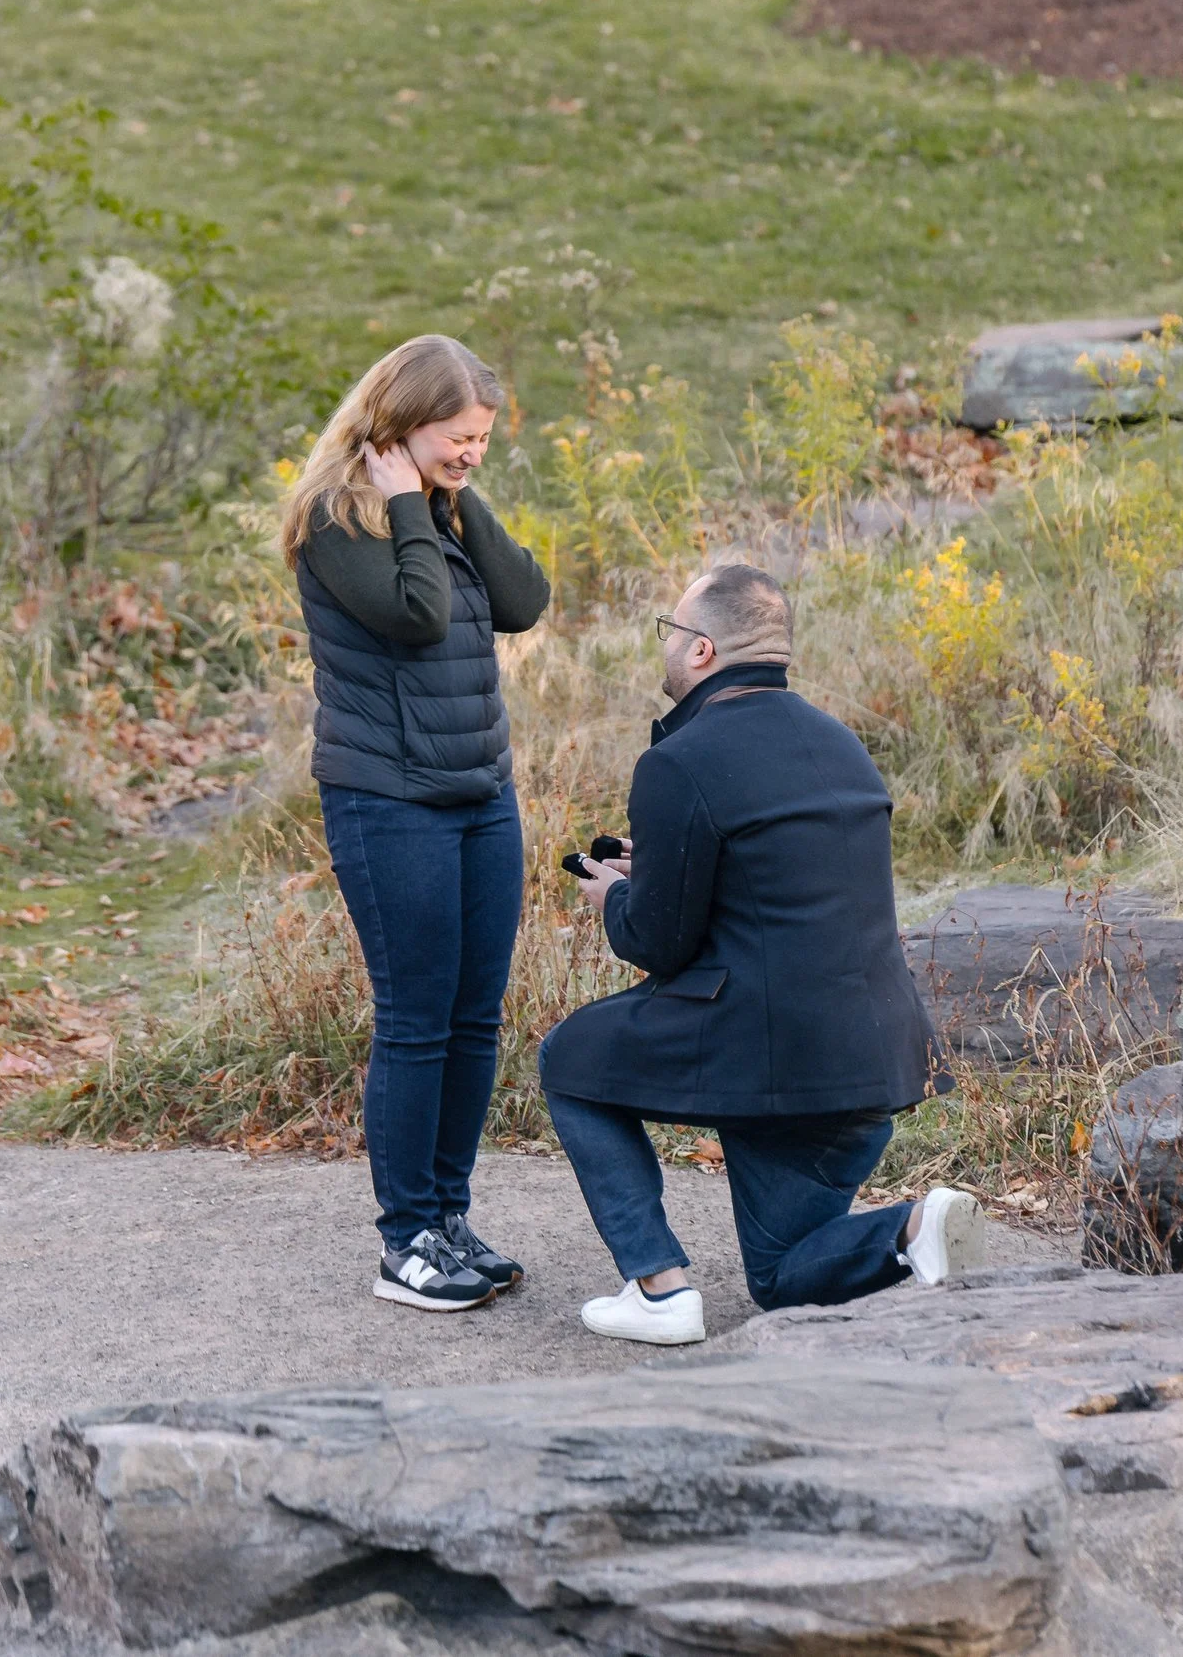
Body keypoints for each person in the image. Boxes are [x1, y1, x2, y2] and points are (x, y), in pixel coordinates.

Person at [537, 563, 981, 1346]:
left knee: (571, 1058)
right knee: (781, 1278)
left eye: (671, 635)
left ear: (703, 650)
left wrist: (615, 899)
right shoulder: (841, 744)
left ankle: (659, 1287)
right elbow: (784, 896)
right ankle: (914, 1229)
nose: (667, 650)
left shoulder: (680, 759)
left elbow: (660, 944)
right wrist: (673, 863)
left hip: (772, 1059)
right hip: (875, 1060)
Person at [277, 334, 551, 1313]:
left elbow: (523, 600)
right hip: (388, 800)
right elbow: (419, 616)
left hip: (480, 793)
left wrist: (449, 492)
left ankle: (448, 1218)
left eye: (482, 438)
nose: (472, 451)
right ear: (395, 424)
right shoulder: (337, 515)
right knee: (417, 1019)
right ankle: (406, 1242)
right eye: (456, 436)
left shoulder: (439, 504)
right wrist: (403, 498)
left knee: (474, 1019)